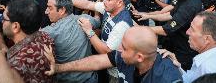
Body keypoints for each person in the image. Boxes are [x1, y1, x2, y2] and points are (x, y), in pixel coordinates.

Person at [44, 26, 183, 83]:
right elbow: (96, 62)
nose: (119, 49)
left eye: (124, 47)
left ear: (139, 57)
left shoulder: (169, 77)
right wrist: (58, 68)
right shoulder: (126, 57)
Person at [139, 0, 202, 70]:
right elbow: (169, 14)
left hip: (185, 49)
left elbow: (166, 30)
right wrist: (147, 16)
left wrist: (141, 30)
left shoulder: (190, 5)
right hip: (175, 43)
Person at [71, 0, 133, 82]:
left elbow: (106, 51)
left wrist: (89, 31)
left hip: (115, 73)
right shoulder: (109, 9)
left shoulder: (122, 24)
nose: (104, 1)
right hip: (105, 66)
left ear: (119, 2)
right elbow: (87, 4)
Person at [41, 0, 99, 83]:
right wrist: (96, 13)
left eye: (50, 8)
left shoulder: (48, 32)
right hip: (90, 78)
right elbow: (97, 21)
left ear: (62, 10)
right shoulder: (85, 19)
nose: (46, 11)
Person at [175, 11, 216, 83]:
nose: (187, 32)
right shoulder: (210, 59)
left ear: (206, 39)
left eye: (192, 29)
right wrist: (178, 66)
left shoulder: (211, 71)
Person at [2, 0, 55, 83]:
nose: (1, 22)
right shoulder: (44, 36)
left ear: (15, 26)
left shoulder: (16, 63)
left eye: (4, 19)